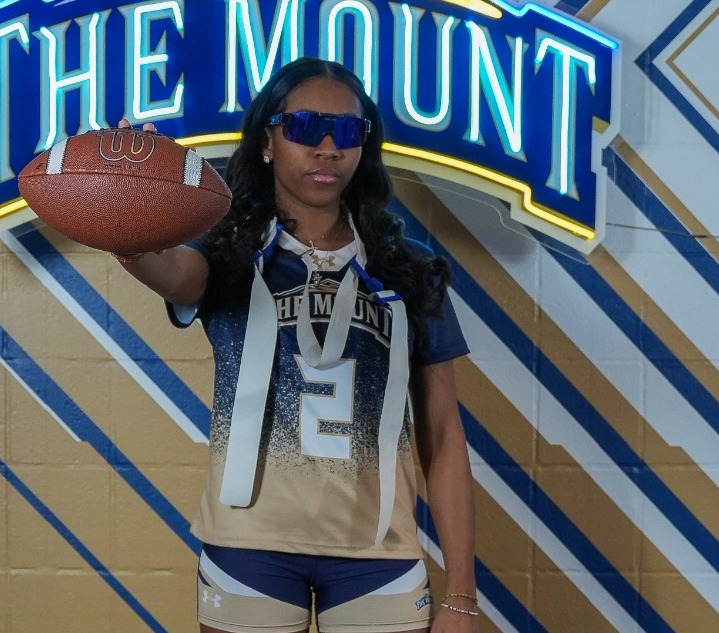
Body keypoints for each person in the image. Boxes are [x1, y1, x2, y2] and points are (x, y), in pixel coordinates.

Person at [115, 57, 479, 633]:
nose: (328, 146)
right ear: (267, 140)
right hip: (248, 541)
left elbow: (444, 434)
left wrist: (462, 595)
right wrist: (129, 219)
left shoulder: (407, 270)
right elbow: (170, 272)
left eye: (347, 132)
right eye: (307, 127)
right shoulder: (229, 254)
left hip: (378, 548)